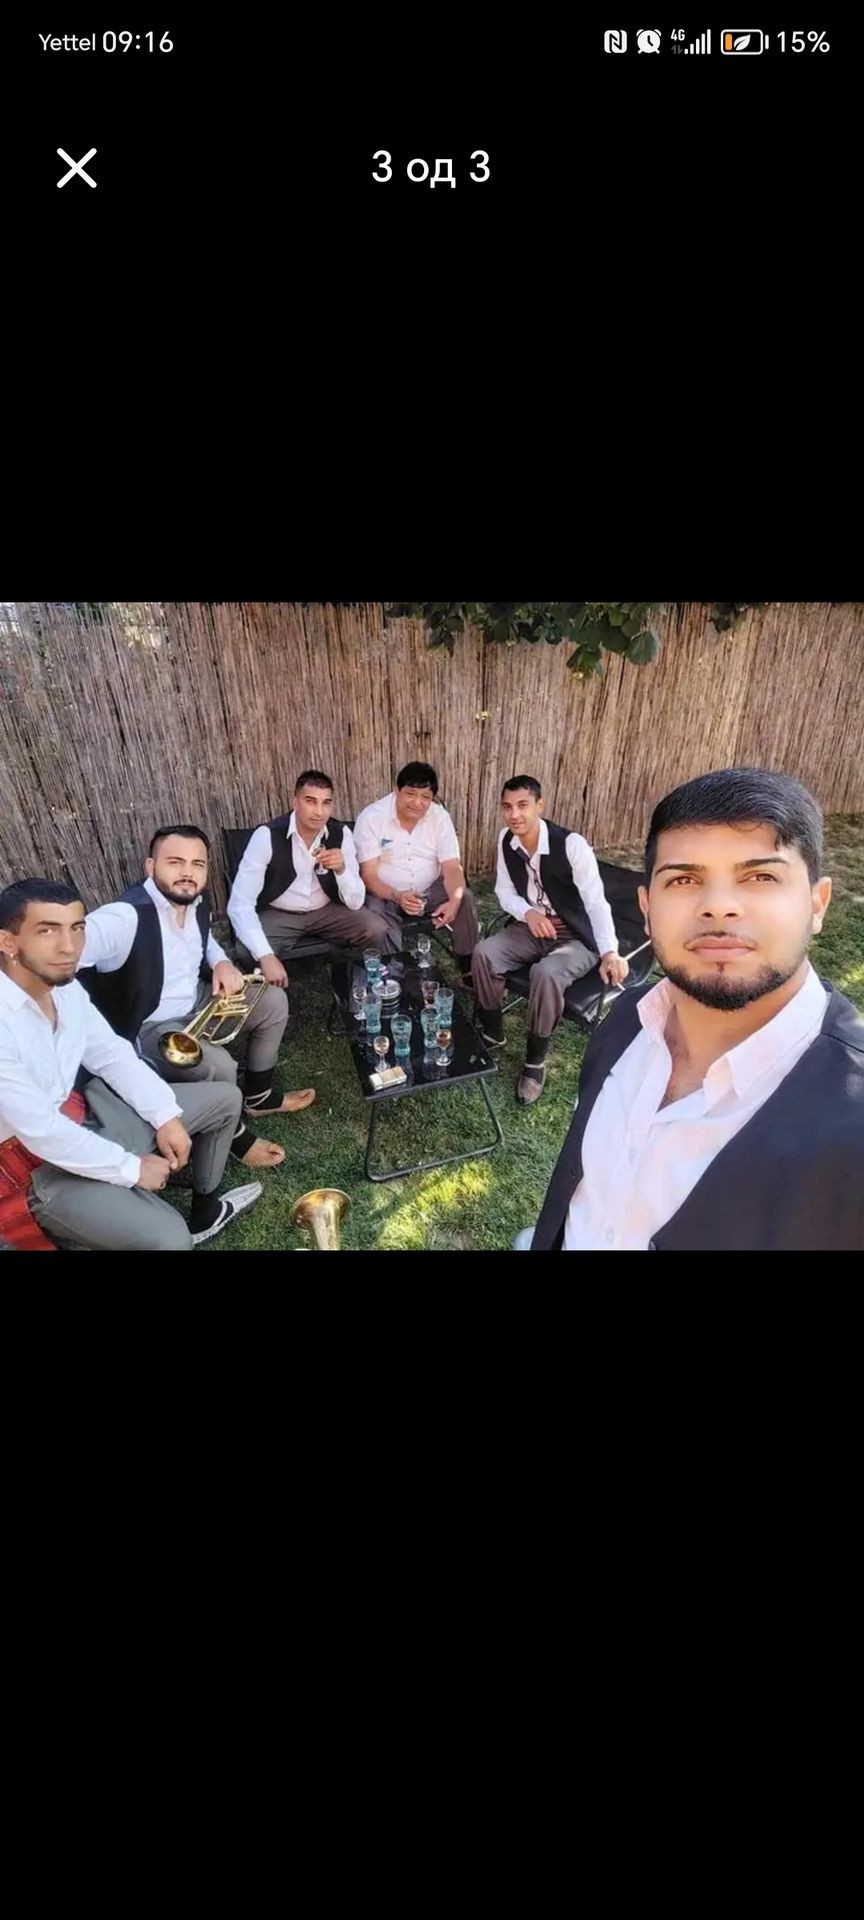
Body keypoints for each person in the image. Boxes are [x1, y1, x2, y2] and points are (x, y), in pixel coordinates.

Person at [524, 768, 864, 1251]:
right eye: (683, 878)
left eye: (761, 876)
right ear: (646, 908)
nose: (719, 906)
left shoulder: (853, 1127)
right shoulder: (624, 1023)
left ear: (817, 902)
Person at [0, 879, 262, 1251]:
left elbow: (111, 1053)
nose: (69, 946)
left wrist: (165, 1116)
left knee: (224, 1098)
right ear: (8, 942)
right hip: (28, 1163)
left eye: (77, 928)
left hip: (80, 1116)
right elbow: (40, 1131)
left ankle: (204, 1211)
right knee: (171, 1239)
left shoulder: (65, 988)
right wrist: (130, 1169)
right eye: (47, 931)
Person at [78, 825, 314, 1170]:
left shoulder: (195, 900)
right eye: (175, 862)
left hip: (198, 1000)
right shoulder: (123, 917)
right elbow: (63, 956)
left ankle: (260, 1096)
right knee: (221, 1065)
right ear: (150, 866)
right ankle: (237, 1137)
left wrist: (220, 962)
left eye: (197, 864)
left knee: (273, 1003)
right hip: (149, 1026)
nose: (188, 873)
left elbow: (203, 940)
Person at [472, 776, 629, 1104]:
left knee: (546, 973)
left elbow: (596, 902)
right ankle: (492, 1032)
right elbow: (503, 891)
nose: (514, 815)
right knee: (484, 953)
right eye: (507, 807)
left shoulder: (571, 845)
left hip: (576, 936)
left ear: (540, 806)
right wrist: (528, 913)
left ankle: (535, 1060)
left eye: (522, 805)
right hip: (532, 927)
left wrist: (610, 951)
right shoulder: (506, 840)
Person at [226, 773, 389, 998]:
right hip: (280, 912)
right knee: (247, 951)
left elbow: (355, 902)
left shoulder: (340, 834)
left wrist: (341, 870)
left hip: (325, 909)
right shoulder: (267, 836)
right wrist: (266, 955)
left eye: (326, 803)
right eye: (310, 801)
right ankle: (272, 999)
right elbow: (240, 903)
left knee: (374, 928)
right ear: (295, 802)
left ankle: (352, 984)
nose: (319, 811)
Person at [353, 762, 479, 982]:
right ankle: (391, 971)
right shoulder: (372, 817)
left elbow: (451, 866)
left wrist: (454, 901)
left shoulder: (439, 818)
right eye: (411, 794)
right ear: (396, 790)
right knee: (377, 915)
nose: (418, 803)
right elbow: (369, 875)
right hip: (386, 893)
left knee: (464, 896)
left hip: (428, 890)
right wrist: (397, 896)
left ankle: (468, 963)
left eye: (425, 797)